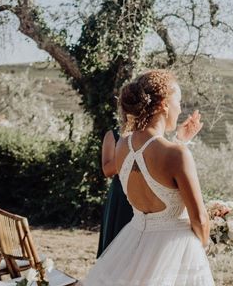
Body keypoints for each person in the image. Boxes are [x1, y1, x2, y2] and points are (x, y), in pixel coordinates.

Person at [85, 70, 214, 286]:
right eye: (178, 101)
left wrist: (180, 140)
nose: (180, 108)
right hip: (175, 250)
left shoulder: (122, 145)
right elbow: (199, 219)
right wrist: (204, 246)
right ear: (164, 104)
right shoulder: (176, 154)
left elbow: (151, 165)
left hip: (135, 244)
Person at [96, 107, 203, 257]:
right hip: (122, 194)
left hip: (150, 193)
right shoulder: (114, 136)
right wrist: (129, 153)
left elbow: (162, 164)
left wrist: (177, 141)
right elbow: (107, 170)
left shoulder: (152, 136)